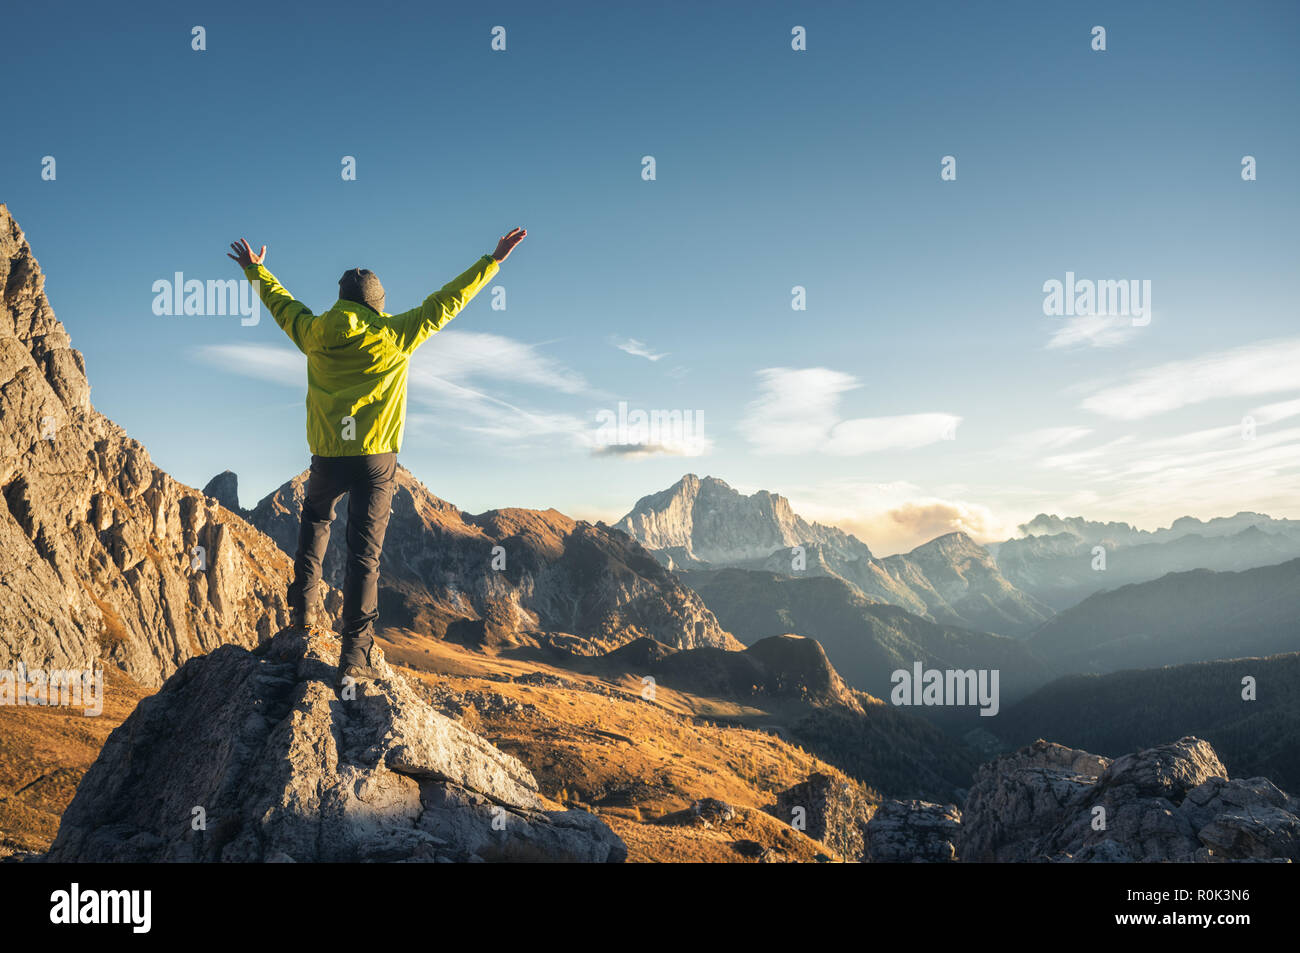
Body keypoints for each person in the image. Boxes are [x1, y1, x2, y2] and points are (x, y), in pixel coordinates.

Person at [227, 227, 527, 690]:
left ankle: (304, 613)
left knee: (314, 528)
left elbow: (281, 305)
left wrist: (256, 270)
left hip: (327, 455)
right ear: (377, 304)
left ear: (343, 301)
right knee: (364, 555)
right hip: (375, 460)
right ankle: (355, 654)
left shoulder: (314, 333)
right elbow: (446, 302)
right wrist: (493, 260)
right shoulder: (395, 333)